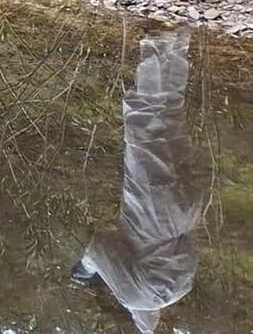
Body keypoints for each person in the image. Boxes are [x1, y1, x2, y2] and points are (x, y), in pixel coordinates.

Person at [71, 29, 204, 333]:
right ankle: (159, 42)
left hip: (186, 213)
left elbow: (189, 250)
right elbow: (97, 247)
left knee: (169, 116)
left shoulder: (180, 289)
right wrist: (84, 270)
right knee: (143, 121)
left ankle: (176, 44)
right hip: (153, 212)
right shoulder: (133, 296)